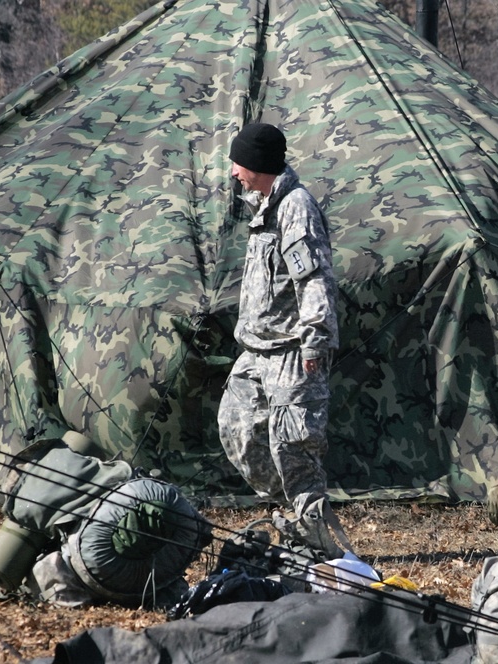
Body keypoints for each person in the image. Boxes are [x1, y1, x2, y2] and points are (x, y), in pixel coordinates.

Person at [217, 122, 345, 558]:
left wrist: (315, 340)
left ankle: (326, 546)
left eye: (240, 163)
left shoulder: (296, 208)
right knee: (237, 426)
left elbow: (314, 280)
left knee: (294, 449)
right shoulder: (263, 206)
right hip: (256, 350)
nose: (234, 171)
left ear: (259, 164)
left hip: (292, 351)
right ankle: (291, 512)